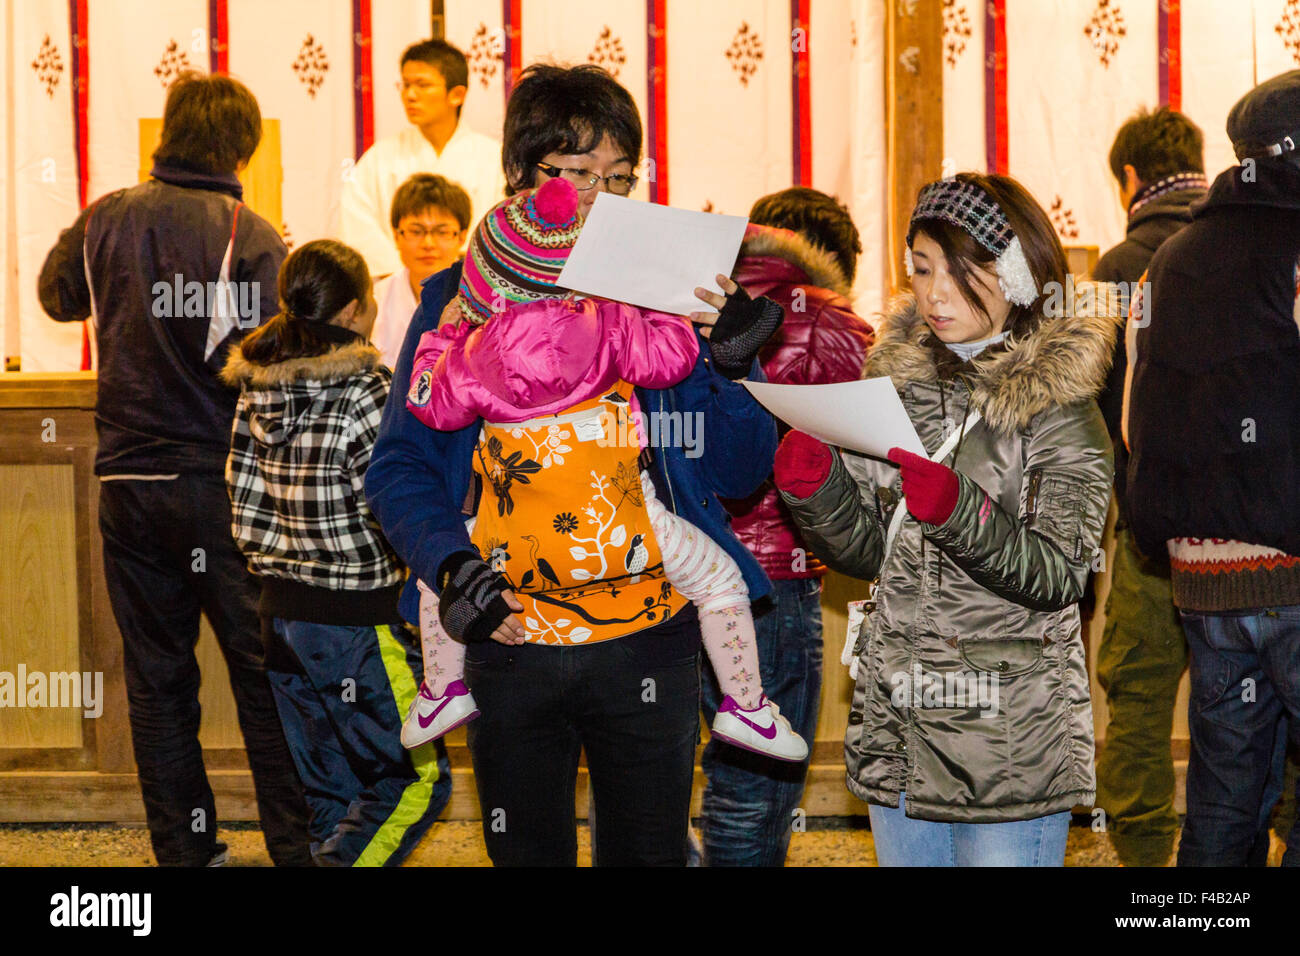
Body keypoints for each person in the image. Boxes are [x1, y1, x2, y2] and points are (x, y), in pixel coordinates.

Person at [364, 63, 780, 866]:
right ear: (520, 175)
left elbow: (737, 472)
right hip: (510, 635)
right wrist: (453, 570)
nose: (602, 197)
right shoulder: (459, 293)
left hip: (651, 639)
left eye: (620, 178)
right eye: (578, 174)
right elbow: (401, 466)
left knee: (651, 854)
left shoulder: (666, 298)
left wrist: (733, 367)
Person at [398, 176, 803, 764]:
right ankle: (746, 707)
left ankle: (441, 692)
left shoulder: (469, 353)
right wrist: (653, 307)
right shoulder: (607, 323)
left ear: (484, 284)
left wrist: (446, 333)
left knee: (436, 575)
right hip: (627, 530)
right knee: (720, 583)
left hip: (513, 543)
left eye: (616, 176)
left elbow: (426, 399)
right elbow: (672, 357)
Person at [774, 172, 1117, 866]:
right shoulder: (897, 388)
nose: (934, 293)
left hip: (1006, 739)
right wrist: (819, 491)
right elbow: (872, 551)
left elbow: (1061, 573)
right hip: (899, 726)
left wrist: (961, 512)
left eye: (962, 273)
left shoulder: (1059, 409)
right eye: (922, 269)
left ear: (1017, 273)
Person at [37, 72, 311, 867]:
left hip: (127, 485)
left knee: (159, 683)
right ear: (243, 148)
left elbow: (59, 301)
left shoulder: (103, 220)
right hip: (223, 489)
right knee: (264, 678)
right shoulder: (251, 235)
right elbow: (279, 360)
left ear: (168, 137)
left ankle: (186, 856)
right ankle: (296, 850)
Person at [221, 239, 451, 866]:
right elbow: (388, 498)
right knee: (417, 779)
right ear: (353, 312)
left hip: (278, 618)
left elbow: (241, 500)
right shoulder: (368, 386)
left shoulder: (254, 386)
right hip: (357, 619)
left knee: (330, 789)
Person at [1124, 70, 1300, 867]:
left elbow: (1133, 426)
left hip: (1202, 583)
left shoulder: (1166, 261)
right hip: (1294, 571)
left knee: (1224, 799)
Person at [701, 187, 875, 866]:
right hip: (769, 585)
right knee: (752, 787)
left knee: (643, 789)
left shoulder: (672, 304)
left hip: (655, 575)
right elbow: (876, 457)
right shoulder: (831, 320)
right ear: (827, 256)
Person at [1091, 107, 1206, 867]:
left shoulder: (1118, 266)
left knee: (1136, 700)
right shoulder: (1262, 244)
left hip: (1150, 534)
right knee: (1260, 707)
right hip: (1267, 531)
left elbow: (1098, 402)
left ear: (1130, 177)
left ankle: (1144, 871)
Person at [338, 39, 503, 279]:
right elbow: (359, 228)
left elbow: (501, 229)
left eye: (422, 85)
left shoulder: (493, 158)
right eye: (405, 85)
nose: (410, 95)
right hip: (396, 292)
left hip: (474, 287)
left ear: (456, 95)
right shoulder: (380, 158)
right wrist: (409, 279)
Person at [371, 173, 472, 368]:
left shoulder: (476, 299)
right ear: (396, 235)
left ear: (462, 236)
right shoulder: (377, 298)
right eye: (416, 231)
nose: (428, 243)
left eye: (441, 232)